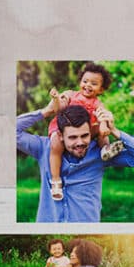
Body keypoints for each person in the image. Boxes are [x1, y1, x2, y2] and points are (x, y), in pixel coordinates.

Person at [16, 91, 134, 224]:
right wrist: (47, 111)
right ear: (61, 136)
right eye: (73, 137)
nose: (80, 142)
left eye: (84, 136)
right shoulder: (44, 148)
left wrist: (115, 131)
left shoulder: (100, 154)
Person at [46, 63, 123, 202]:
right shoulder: (71, 94)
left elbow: (103, 116)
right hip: (63, 129)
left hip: (87, 132)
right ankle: (56, 180)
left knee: (101, 127)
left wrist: (104, 126)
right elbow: (58, 110)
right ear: (80, 81)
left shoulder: (98, 104)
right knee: (55, 144)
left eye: (94, 83)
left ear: (101, 89)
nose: (88, 85)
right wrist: (56, 99)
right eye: (85, 81)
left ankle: (106, 149)